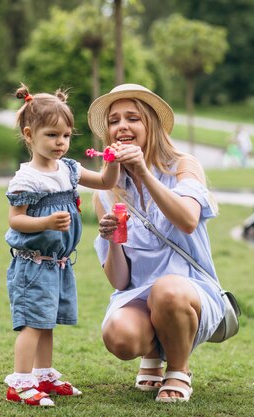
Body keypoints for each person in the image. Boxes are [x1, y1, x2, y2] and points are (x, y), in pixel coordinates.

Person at [87, 84, 225, 403]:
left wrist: (144, 172)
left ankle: (178, 369)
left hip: (190, 292)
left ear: (150, 124)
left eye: (132, 118)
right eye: (114, 120)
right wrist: (112, 240)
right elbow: (120, 281)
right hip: (140, 294)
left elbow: (188, 219)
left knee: (167, 290)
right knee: (118, 337)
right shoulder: (106, 191)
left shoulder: (182, 166)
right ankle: (151, 350)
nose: (122, 126)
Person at [3, 84, 120, 407]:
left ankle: (43, 374)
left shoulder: (68, 169)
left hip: (58, 263)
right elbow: (16, 220)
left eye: (66, 136)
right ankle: (21, 382)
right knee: (32, 323)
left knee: (47, 320)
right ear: (29, 134)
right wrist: (45, 223)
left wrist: (112, 159)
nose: (61, 143)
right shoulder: (27, 179)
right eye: (52, 135)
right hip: (33, 264)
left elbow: (106, 182)